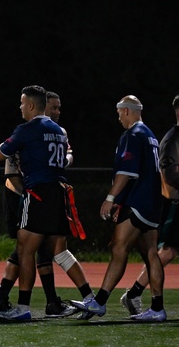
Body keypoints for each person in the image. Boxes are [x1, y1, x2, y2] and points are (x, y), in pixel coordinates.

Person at [0, 91, 93, 318]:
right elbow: (65, 158)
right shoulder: (59, 131)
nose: (21, 108)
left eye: (23, 103)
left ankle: (23, 308)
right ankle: (91, 299)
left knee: (25, 250)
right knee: (60, 252)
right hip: (59, 191)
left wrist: (11, 144)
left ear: (32, 105)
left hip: (37, 193)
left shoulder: (26, 130)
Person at [71, 95, 166, 321]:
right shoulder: (151, 136)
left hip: (138, 201)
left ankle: (100, 302)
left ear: (125, 111)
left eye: (119, 114)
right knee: (151, 253)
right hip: (153, 203)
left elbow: (127, 172)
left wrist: (111, 198)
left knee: (119, 248)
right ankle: (157, 308)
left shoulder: (132, 135)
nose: (119, 119)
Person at [121, 93, 179, 318]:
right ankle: (133, 293)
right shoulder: (173, 139)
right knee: (168, 252)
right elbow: (170, 175)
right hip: (176, 204)